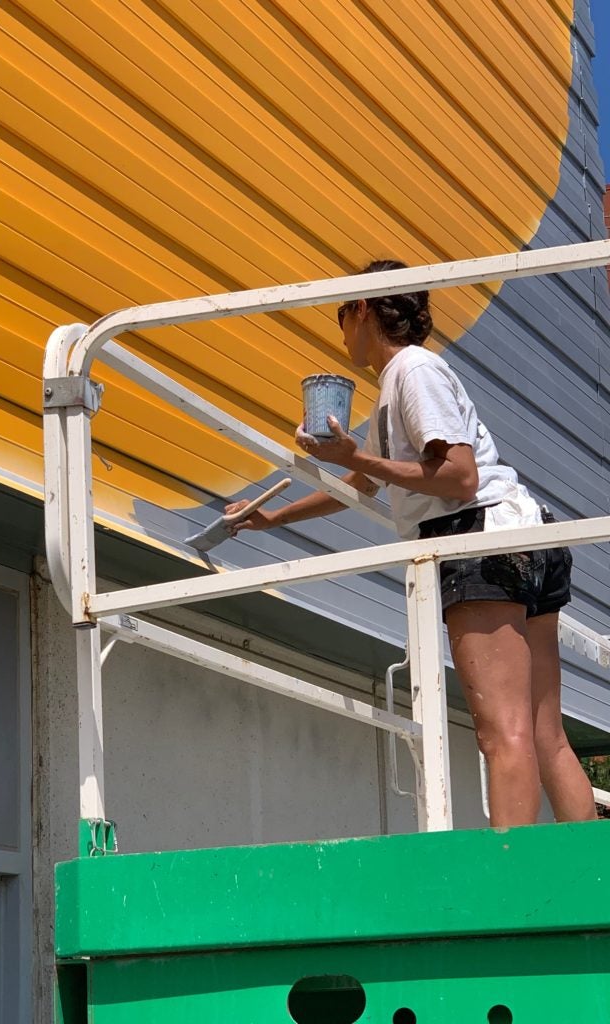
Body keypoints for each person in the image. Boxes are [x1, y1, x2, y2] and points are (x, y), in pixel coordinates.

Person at [225, 259, 597, 828]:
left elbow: (458, 475)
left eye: (342, 315)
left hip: (480, 540)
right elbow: (364, 484)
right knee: (545, 734)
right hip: (523, 535)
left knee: (505, 733)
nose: (340, 331)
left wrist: (355, 455)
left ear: (367, 309)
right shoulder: (396, 389)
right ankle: (596, 885)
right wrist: (274, 517)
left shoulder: (412, 370)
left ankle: (513, 889)